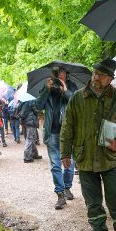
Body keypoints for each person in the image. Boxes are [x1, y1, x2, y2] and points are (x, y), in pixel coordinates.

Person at [60, 58, 116, 231]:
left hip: (110, 159)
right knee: (92, 201)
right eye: (95, 73)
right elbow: (67, 127)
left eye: (101, 75)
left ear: (110, 79)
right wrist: (65, 153)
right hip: (85, 158)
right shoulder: (78, 97)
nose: (96, 77)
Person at [36, 66, 78, 210]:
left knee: (70, 164)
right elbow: (37, 106)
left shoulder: (72, 87)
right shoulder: (47, 87)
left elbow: (76, 103)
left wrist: (65, 90)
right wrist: (46, 90)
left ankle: (67, 188)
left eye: (62, 72)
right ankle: (60, 194)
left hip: (69, 133)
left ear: (66, 74)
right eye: (57, 73)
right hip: (52, 132)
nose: (60, 75)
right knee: (55, 165)